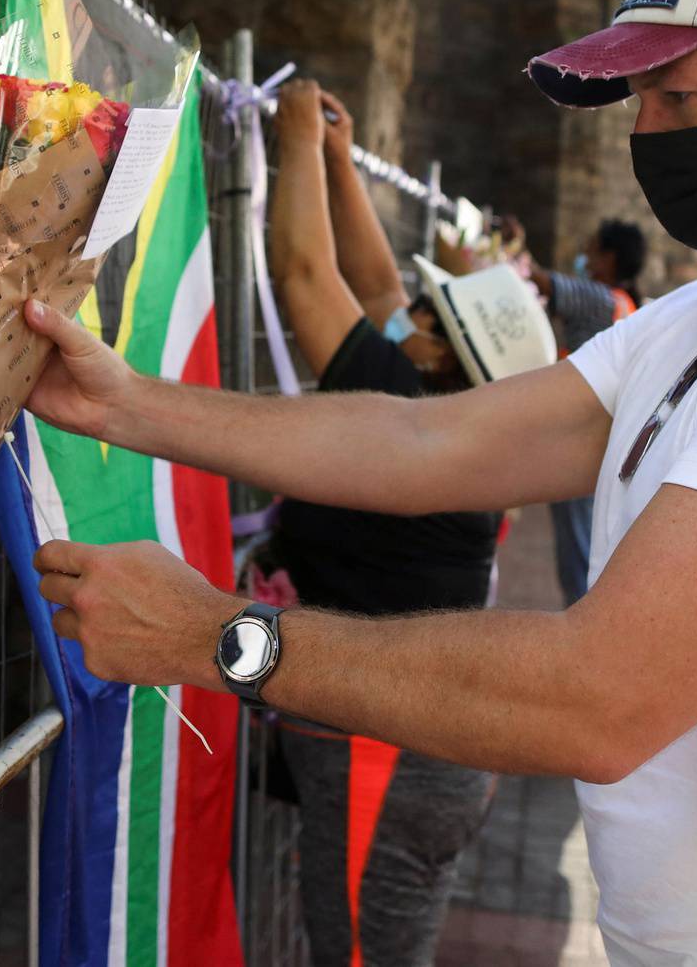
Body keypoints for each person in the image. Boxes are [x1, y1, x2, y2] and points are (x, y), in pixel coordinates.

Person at [18, 0, 697, 964]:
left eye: (681, 96)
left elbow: (602, 697)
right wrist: (129, 405)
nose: (646, 133)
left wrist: (219, 638)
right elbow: (430, 448)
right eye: (640, 100)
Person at [266, 79, 556, 966]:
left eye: (427, 318)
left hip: (382, 760)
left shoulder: (401, 404)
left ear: (439, 350)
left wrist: (295, 139)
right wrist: (341, 163)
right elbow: (382, 286)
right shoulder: (459, 414)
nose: (407, 316)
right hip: (429, 751)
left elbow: (308, 275)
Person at [514, 217, 646, 603]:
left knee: (577, 545)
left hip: (579, 439)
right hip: (606, 439)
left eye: (591, 249)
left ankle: (582, 620)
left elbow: (539, 280)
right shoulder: (627, 304)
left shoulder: (597, 299)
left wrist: (513, 245)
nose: (584, 257)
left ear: (609, 258)